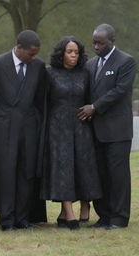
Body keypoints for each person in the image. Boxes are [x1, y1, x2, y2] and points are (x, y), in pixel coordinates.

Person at [0, 30, 46, 231]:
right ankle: (7, 220)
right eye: (31, 53)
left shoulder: (38, 66)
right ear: (18, 47)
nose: (34, 57)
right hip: (3, 130)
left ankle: (22, 219)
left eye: (36, 53)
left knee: (26, 175)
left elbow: (39, 100)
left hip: (29, 129)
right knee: (6, 175)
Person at [78, 24, 136, 229]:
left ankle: (119, 218)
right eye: (94, 42)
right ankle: (104, 216)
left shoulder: (126, 61)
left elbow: (119, 91)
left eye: (100, 43)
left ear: (112, 41)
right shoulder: (91, 64)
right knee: (100, 174)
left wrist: (94, 107)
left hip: (117, 131)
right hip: (95, 131)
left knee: (117, 176)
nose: (95, 46)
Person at [40, 36, 102, 230]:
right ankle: (70, 214)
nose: (73, 55)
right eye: (69, 51)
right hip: (58, 129)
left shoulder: (85, 73)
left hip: (82, 126)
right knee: (63, 170)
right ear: (61, 53)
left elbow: (91, 98)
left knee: (84, 167)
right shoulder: (50, 74)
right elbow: (43, 102)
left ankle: (84, 206)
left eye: (76, 52)